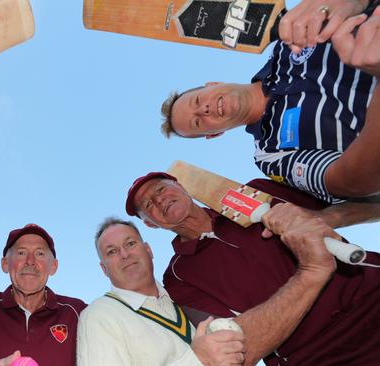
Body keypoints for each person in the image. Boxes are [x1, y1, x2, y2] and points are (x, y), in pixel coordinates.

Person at [125, 172, 380, 365]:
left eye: (160, 189)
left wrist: (322, 219)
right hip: (319, 353)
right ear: (151, 224)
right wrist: (311, 272)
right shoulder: (178, 278)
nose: (159, 200)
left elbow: (361, 206)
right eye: (148, 206)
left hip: (371, 292)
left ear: (181, 186)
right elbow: (233, 348)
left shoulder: (252, 193)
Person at [158, 4, 380, 203]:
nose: (203, 109)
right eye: (198, 122)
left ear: (213, 83)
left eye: (197, 100)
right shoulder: (270, 154)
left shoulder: (286, 44)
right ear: (215, 134)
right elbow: (349, 183)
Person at [78, 217, 245, 366]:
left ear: (149, 250)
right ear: (104, 269)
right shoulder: (99, 316)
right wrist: (197, 360)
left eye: (130, 243)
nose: (124, 254)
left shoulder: (184, 296)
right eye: (111, 251)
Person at [0, 224, 87, 366]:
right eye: (21, 253)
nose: (30, 261)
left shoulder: (78, 312)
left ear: (53, 266)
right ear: (5, 264)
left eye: (40, 253)